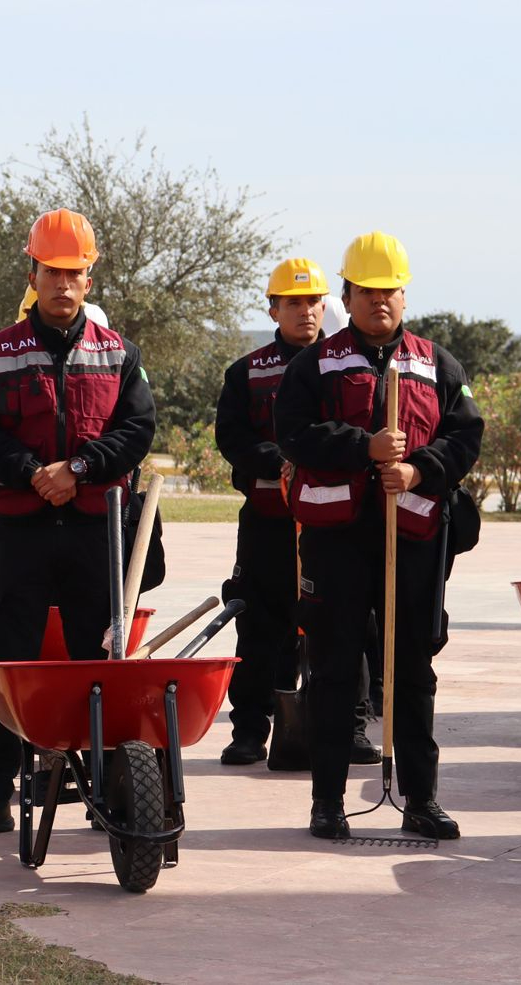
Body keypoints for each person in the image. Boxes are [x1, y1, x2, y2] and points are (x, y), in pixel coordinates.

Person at [0, 207, 156, 838]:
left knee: (101, 663)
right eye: (51, 271)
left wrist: (81, 468)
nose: (62, 284)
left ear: (89, 277)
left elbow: (137, 429)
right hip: (21, 532)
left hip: (97, 530)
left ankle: (114, 793)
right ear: (32, 271)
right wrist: (34, 471)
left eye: (74, 273)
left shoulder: (120, 353)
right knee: (10, 664)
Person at [276, 231, 482, 841]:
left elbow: (465, 436)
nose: (380, 301)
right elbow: (292, 433)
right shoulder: (314, 364)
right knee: (336, 670)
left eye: (389, 290)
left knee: (413, 669)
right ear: (348, 294)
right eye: (367, 291)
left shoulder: (437, 362)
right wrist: (361, 447)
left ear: (404, 294)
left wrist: (420, 469)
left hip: (412, 541)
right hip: (338, 541)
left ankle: (422, 798)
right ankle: (327, 802)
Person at [214, 258, 378, 766]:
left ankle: (350, 728)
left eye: (313, 301)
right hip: (268, 523)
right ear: (273, 308)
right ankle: (248, 731)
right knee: (259, 625)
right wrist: (280, 459)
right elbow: (232, 438)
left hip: (333, 521)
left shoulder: (348, 365)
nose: (305, 311)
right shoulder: (246, 371)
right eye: (293, 302)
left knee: (341, 623)